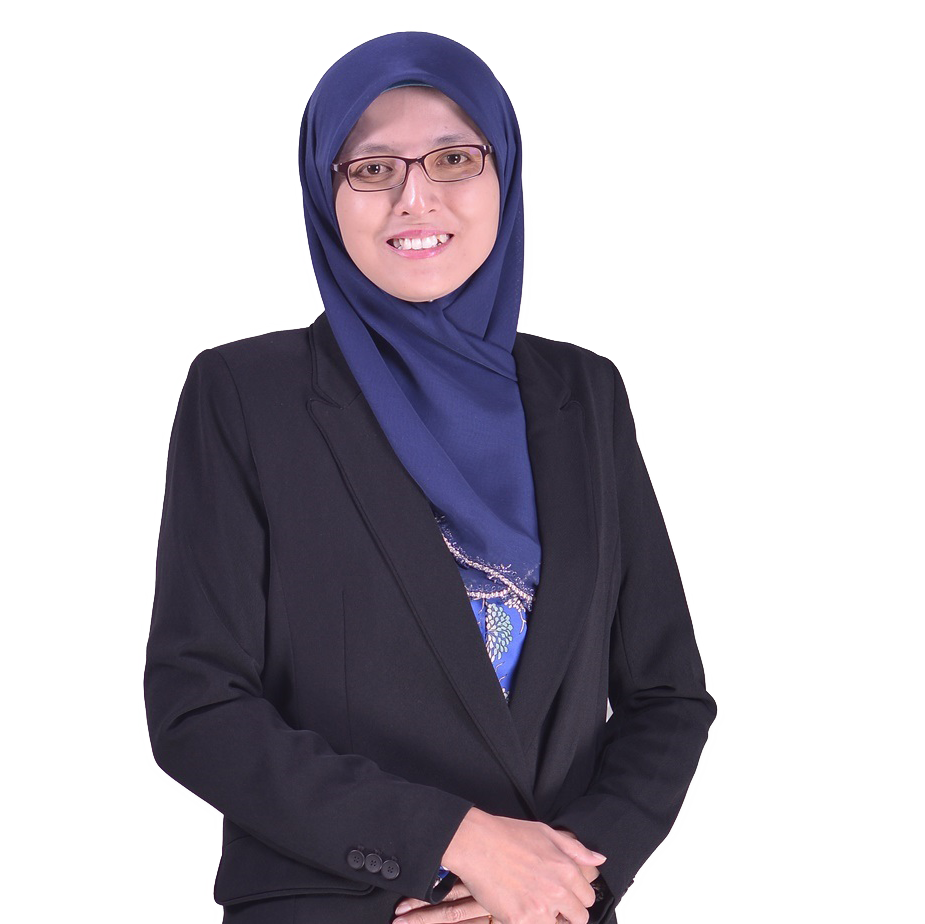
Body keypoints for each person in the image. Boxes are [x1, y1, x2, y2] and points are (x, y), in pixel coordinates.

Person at [144, 30, 716, 924]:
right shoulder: (249, 395)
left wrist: (566, 878)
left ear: (504, 174)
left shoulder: (583, 395)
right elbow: (197, 707)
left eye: (454, 158)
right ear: (325, 194)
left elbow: (666, 695)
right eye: (373, 169)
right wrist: (459, 842)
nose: (416, 197)